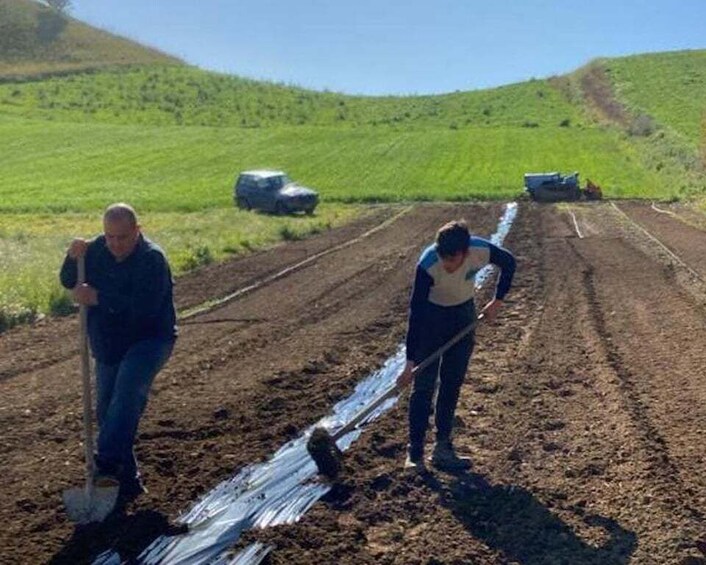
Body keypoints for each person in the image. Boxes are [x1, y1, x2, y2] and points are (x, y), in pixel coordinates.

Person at [60, 203, 177, 501]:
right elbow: (68, 280)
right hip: (109, 343)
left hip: (149, 340)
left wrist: (98, 297)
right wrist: (73, 256)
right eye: (109, 236)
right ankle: (127, 481)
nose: (114, 244)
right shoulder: (97, 250)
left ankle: (107, 465)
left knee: (127, 392)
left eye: (122, 237)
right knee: (107, 412)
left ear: (138, 231)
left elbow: (144, 310)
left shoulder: (152, 259)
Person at [397, 219, 516, 472]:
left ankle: (443, 448)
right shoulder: (428, 265)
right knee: (424, 385)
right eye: (444, 260)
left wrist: (498, 300)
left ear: (464, 253)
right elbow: (416, 313)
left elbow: (509, 263)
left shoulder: (480, 251)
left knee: (452, 382)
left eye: (453, 260)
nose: (448, 266)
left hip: (463, 315)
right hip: (431, 318)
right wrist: (410, 361)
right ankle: (415, 453)